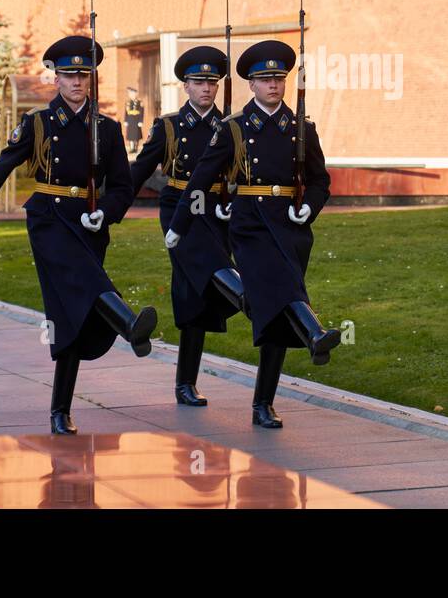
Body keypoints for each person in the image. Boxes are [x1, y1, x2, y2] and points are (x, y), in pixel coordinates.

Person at [0, 35, 157, 434]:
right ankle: (128, 323)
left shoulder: (108, 129)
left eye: (84, 75)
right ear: (56, 79)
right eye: (69, 75)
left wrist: (108, 214)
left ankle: (60, 410)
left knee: (71, 317)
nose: (77, 82)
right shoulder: (39, 123)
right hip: (48, 220)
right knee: (85, 278)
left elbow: (121, 185)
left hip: (88, 223)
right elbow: (4, 164)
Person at [166, 39, 339, 429]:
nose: (273, 85)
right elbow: (202, 178)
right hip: (249, 225)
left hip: (291, 227)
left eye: (279, 78)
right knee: (281, 290)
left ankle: (264, 404)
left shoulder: (301, 130)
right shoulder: (235, 129)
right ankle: (314, 333)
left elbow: (319, 181)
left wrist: (309, 206)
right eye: (264, 79)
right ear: (251, 85)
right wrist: (179, 224)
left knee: (276, 310)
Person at [125, 46, 245, 407]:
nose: (206, 89)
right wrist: (112, 205)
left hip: (216, 211)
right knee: (210, 266)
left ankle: (185, 383)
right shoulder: (170, 126)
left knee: (194, 298)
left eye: (212, 82)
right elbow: (141, 169)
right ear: (186, 87)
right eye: (198, 82)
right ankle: (251, 298)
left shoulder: (231, 127)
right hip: (179, 210)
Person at [124, 86, 144, 153]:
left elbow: (141, 111)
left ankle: (135, 147)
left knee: (136, 135)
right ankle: (132, 148)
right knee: (131, 135)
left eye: (132, 93)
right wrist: (125, 120)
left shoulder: (139, 102)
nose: (131, 95)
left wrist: (141, 121)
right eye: (130, 94)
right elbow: (126, 112)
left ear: (135, 94)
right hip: (130, 120)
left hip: (136, 119)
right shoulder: (128, 102)